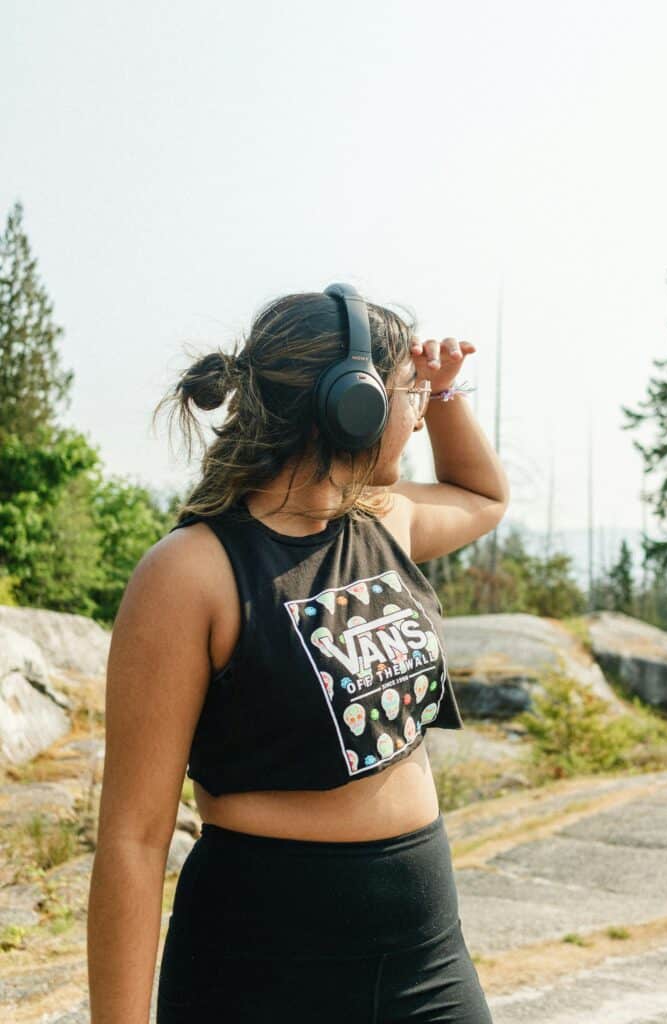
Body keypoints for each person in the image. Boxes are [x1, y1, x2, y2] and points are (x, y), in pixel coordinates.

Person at [87, 288, 509, 1023]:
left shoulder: (384, 522)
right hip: (262, 976)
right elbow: (133, 835)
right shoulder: (192, 572)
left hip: (425, 960)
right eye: (406, 395)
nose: (416, 413)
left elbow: (481, 495)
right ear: (355, 406)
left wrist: (443, 395)